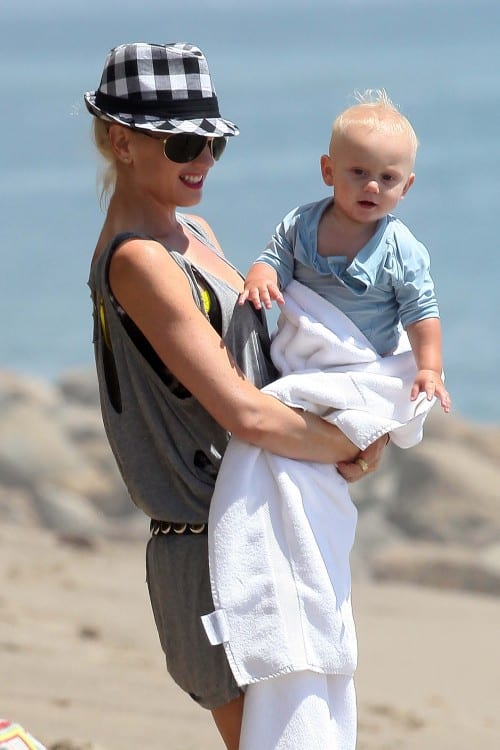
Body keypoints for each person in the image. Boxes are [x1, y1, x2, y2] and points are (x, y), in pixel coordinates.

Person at [84, 43, 388, 750]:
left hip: (259, 532)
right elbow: (242, 411)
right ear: (122, 141)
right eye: (184, 142)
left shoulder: (193, 233)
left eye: (213, 143)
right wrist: (347, 442)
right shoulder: (137, 261)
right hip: (210, 551)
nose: (202, 161)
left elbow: (261, 374)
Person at [240, 89, 451, 414]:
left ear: (405, 187)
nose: (372, 186)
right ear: (329, 171)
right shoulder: (301, 224)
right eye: (359, 172)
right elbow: (275, 257)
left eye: (387, 178)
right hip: (304, 355)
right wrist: (261, 276)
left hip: (363, 363)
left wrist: (429, 368)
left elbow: (421, 312)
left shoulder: (401, 249)